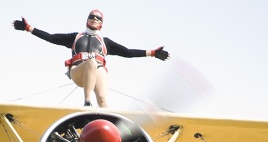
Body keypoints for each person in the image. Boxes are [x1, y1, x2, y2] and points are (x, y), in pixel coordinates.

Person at [13, 10, 169, 107]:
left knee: (102, 98)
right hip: (78, 72)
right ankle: (87, 102)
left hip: (96, 71)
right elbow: (51, 37)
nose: (95, 19)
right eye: (92, 17)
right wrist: (28, 28)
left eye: (98, 18)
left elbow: (128, 52)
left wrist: (153, 53)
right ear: (87, 20)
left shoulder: (105, 42)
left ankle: (108, 120)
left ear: (101, 24)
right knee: (92, 62)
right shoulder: (75, 37)